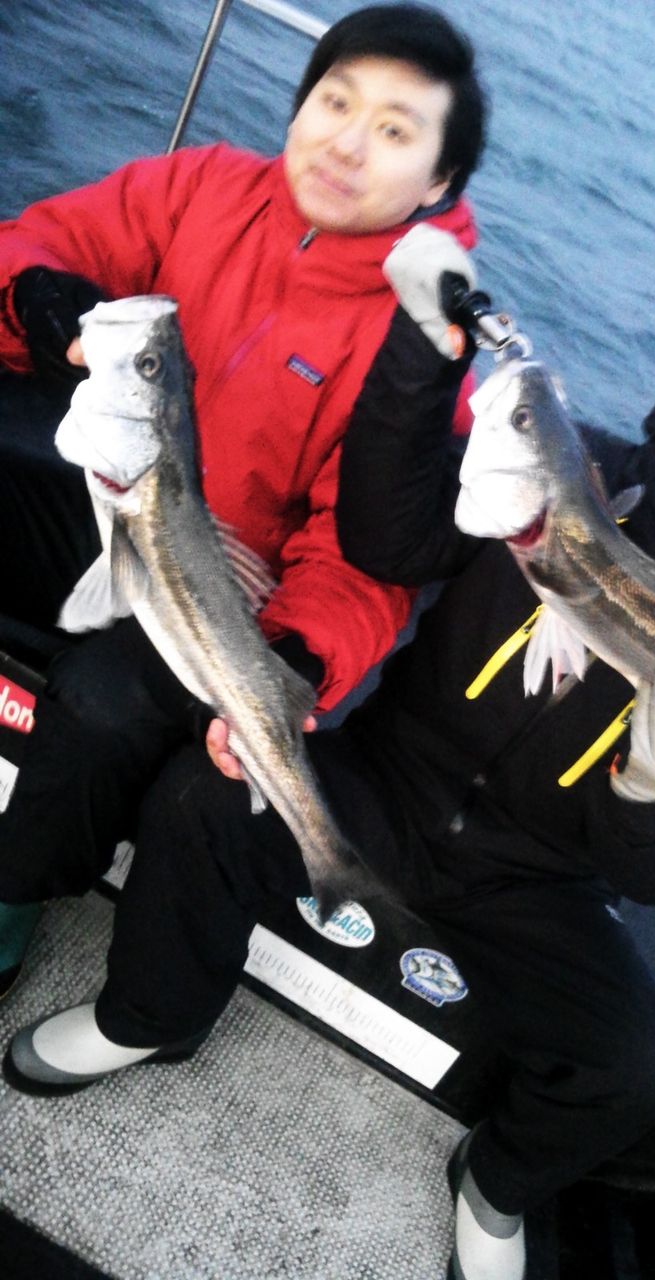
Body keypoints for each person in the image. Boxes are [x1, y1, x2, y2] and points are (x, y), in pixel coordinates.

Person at [2, 268, 655, 1280]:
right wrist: (419, 360)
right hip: (391, 775)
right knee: (202, 799)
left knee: (638, 1071)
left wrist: (648, 797)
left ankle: (496, 1185)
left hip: (542, 878)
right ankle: (147, 1017)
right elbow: (388, 531)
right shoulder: (568, 466)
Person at [0, 4, 488, 997]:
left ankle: (13, 896)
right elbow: (43, 240)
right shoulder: (205, 185)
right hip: (115, 500)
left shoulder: (422, 352)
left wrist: (298, 657)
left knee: (102, 706)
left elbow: (369, 557)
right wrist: (41, 303)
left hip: (233, 600)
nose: (346, 143)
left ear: (439, 183)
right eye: (334, 102)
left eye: (394, 130)